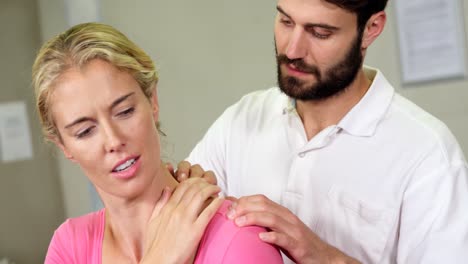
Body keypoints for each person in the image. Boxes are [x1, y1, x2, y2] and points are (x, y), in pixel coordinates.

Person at [180, 0, 468, 263]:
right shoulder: (241, 120)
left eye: (320, 33)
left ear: (371, 28)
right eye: (286, 21)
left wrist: (324, 256)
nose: (292, 51)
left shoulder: (429, 155)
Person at [32, 22, 283, 264]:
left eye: (125, 111)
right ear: (64, 146)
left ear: (152, 101)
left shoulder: (239, 239)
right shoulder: (69, 245)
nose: (113, 140)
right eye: (86, 131)